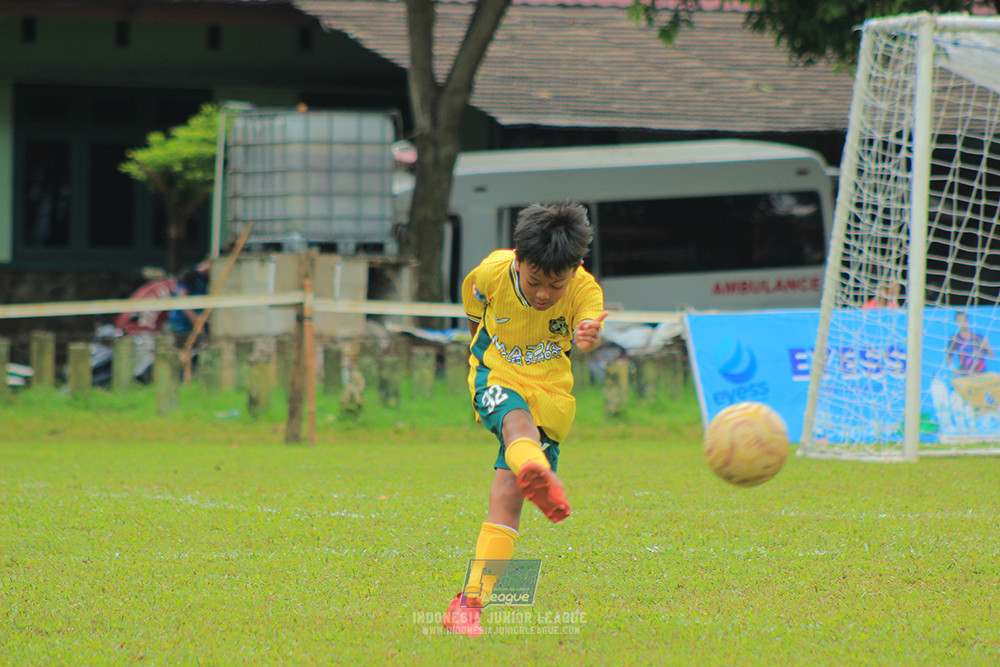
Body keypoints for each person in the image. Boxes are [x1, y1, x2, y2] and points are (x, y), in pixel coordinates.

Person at [442, 203, 608, 636]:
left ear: (576, 268)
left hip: (551, 396)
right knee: (516, 422)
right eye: (534, 281)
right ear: (517, 260)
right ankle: (533, 467)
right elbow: (473, 305)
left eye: (556, 285)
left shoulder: (585, 290)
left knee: (507, 499)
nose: (543, 295)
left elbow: (589, 324)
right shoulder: (492, 272)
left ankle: (468, 603)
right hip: (496, 375)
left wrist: (588, 335)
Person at [168, 259, 210, 341]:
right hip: (181, 325)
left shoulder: (206, 279)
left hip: (196, 323)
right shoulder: (189, 275)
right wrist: (197, 323)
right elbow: (183, 300)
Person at [947, 310, 993, 375]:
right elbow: (949, 356)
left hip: (981, 374)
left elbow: (991, 356)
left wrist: (987, 346)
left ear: (967, 321)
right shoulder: (954, 340)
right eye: (960, 321)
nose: (963, 323)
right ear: (956, 322)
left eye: (964, 320)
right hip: (966, 375)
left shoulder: (978, 338)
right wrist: (953, 369)